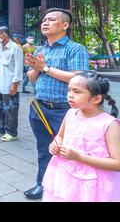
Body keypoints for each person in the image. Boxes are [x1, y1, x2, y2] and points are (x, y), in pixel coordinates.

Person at [24, 8, 90, 200]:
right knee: (44, 149)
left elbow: (79, 78)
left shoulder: (75, 48)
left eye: (51, 20)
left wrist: (44, 67)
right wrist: (35, 68)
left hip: (65, 110)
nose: (45, 23)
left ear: (65, 25)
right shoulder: (40, 50)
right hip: (39, 106)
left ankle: (70, 189)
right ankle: (42, 185)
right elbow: (33, 78)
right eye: (44, 20)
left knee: (68, 150)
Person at [42, 72, 120, 201]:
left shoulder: (109, 125)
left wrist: (78, 157)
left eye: (77, 92)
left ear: (96, 99)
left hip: (93, 184)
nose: (70, 95)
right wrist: (55, 144)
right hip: (65, 178)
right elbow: (60, 136)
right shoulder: (71, 113)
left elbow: (117, 163)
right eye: (69, 90)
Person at [0, 26, 23, 142]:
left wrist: (15, 84)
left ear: (4, 35)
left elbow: (18, 67)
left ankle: (12, 133)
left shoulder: (15, 48)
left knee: (10, 108)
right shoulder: (0, 48)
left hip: (9, 83)